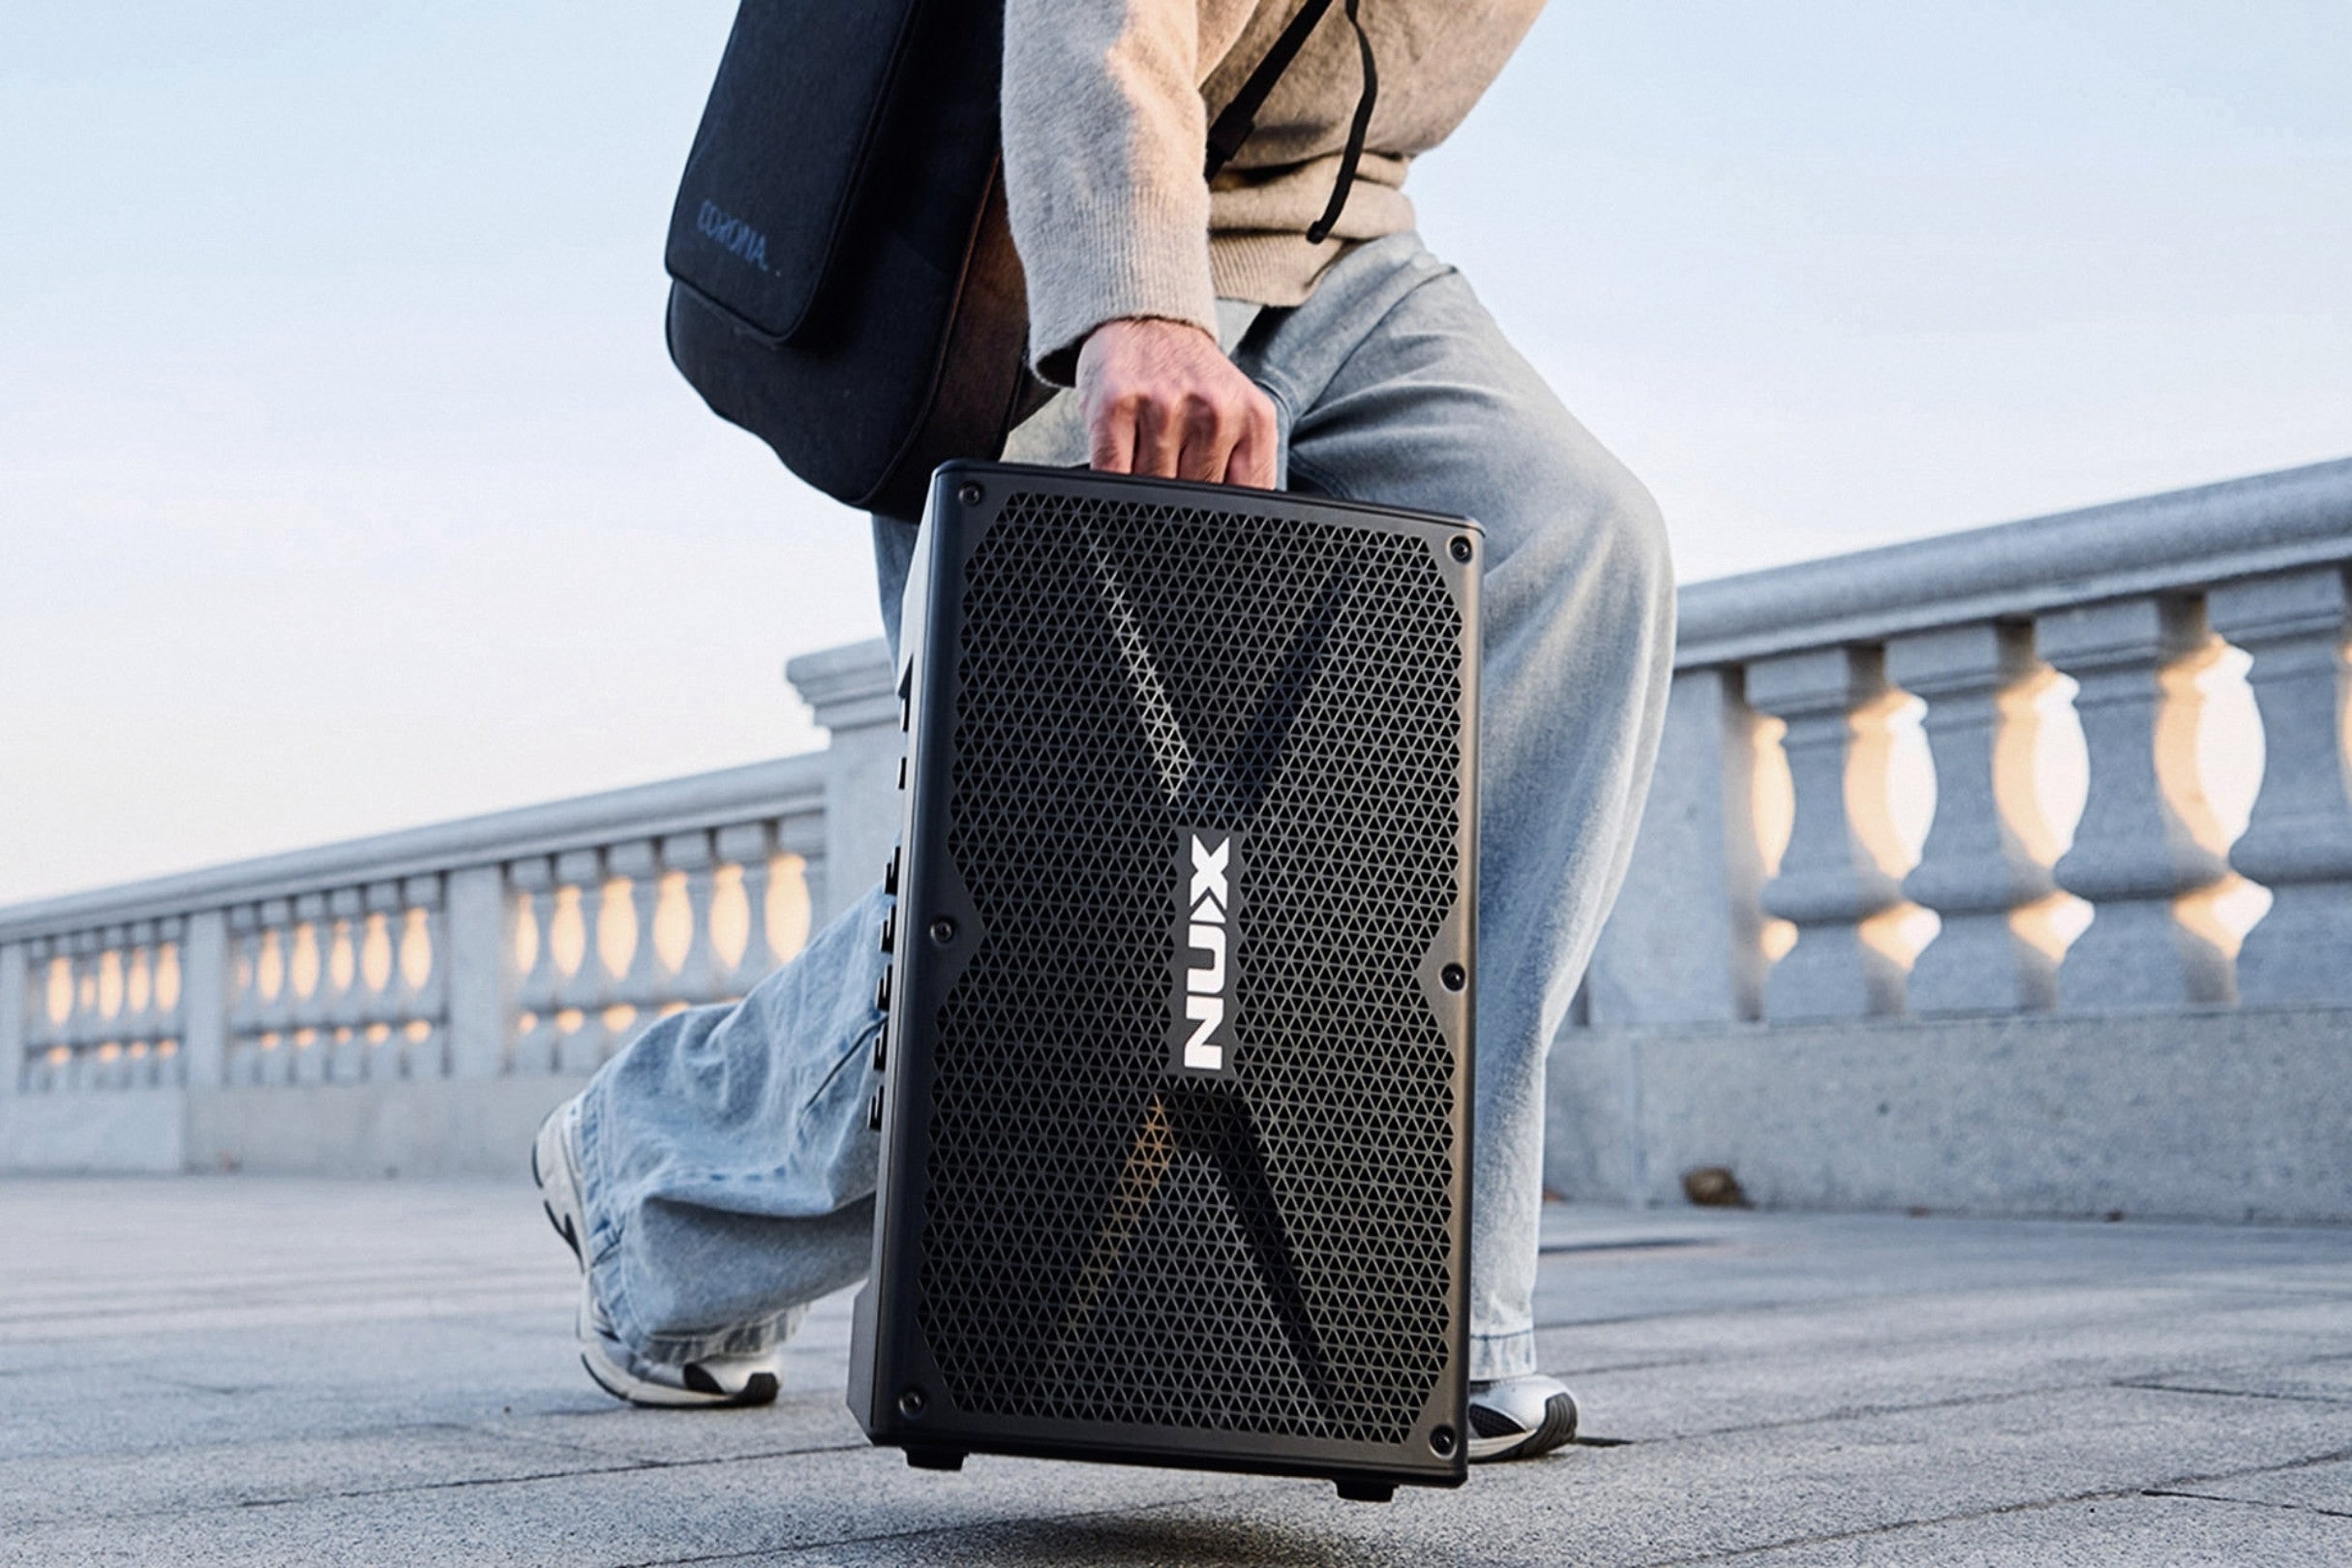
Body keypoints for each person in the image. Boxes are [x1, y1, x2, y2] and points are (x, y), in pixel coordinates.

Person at [532, 0, 1674, 1464]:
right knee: (1053, 849)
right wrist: (1134, 297)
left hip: (1341, 245)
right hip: (1043, 238)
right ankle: (655, 1167)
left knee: (1570, 543)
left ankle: (1421, 1302)